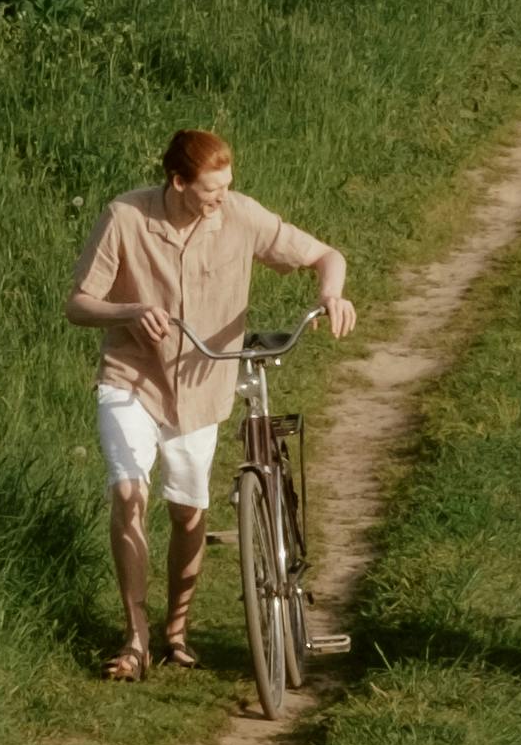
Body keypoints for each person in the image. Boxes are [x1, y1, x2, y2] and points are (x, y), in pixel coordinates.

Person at [66, 127, 355, 678]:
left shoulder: (240, 216)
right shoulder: (126, 217)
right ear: (177, 182)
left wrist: (331, 296)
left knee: (187, 510)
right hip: (132, 380)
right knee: (128, 493)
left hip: (204, 387)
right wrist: (128, 312)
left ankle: (177, 630)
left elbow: (325, 255)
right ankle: (136, 637)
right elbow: (78, 303)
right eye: (210, 191)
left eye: (226, 188)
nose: (221, 199)